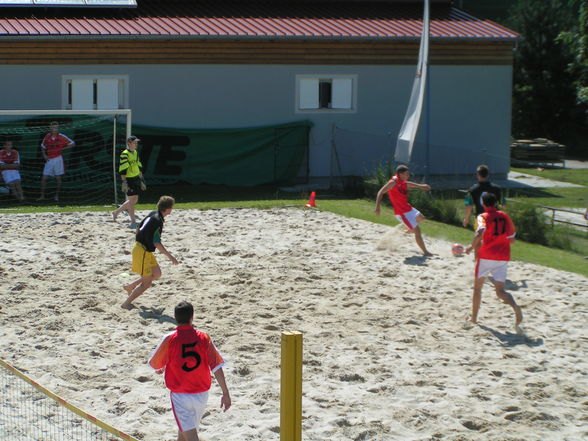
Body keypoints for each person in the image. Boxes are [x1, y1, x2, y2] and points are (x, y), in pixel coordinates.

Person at [148, 301, 231, 441]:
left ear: (175, 318)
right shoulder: (204, 337)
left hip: (181, 395)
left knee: (191, 436)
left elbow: (154, 364)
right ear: (192, 317)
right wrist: (225, 392)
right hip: (202, 394)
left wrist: (162, 366)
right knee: (185, 432)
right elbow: (216, 366)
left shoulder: (170, 339)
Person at [465, 192, 523, 328]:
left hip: (486, 255)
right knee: (500, 292)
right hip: (503, 256)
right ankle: (515, 306)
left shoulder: (482, 216)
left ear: (483, 204)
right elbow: (512, 239)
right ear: (496, 203)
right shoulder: (505, 216)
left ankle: (473, 319)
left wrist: (471, 246)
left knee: (477, 289)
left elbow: (480, 231)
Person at [121, 195, 179, 309]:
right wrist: (170, 257)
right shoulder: (158, 221)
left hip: (144, 250)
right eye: (172, 207)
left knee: (157, 274)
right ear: (168, 209)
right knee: (147, 284)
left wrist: (143, 238)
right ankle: (126, 303)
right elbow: (157, 243)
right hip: (141, 251)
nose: (172, 209)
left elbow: (138, 228)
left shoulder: (154, 213)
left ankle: (131, 286)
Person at [374, 164, 433, 256]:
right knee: (417, 231)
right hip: (402, 213)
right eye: (406, 174)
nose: (408, 176)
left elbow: (408, 184)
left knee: (421, 218)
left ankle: (407, 230)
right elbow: (380, 192)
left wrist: (421, 186)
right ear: (400, 174)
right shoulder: (392, 183)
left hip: (408, 208)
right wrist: (377, 207)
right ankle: (425, 252)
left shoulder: (402, 181)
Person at [112, 135, 146, 228]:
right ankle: (133, 222)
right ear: (129, 143)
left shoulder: (135, 152)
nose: (136, 144)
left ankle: (116, 212)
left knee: (134, 200)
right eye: (134, 142)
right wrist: (124, 182)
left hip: (135, 178)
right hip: (129, 179)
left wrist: (142, 180)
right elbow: (123, 169)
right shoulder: (125, 154)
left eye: (136, 142)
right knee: (132, 201)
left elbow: (138, 166)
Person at [38, 121, 75, 202]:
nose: (54, 129)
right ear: (50, 128)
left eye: (56, 127)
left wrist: (62, 148)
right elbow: (42, 146)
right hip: (49, 160)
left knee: (58, 178)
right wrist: (44, 155)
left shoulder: (61, 136)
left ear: (58, 128)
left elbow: (73, 143)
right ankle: (42, 196)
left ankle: (56, 196)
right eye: (53, 127)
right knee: (44, 178)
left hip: (58, 159)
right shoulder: (47, 136)